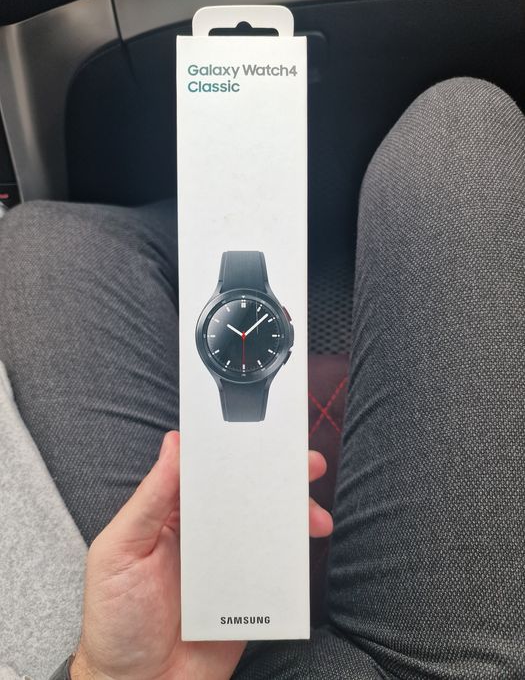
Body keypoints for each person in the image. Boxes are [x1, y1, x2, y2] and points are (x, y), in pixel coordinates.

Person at [0, 76, 524, 679]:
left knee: (42, 236)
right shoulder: (251, 337)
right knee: (461, 130)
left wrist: (108, 673)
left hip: (164, 648)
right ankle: (280, 219)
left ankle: (244, 222)